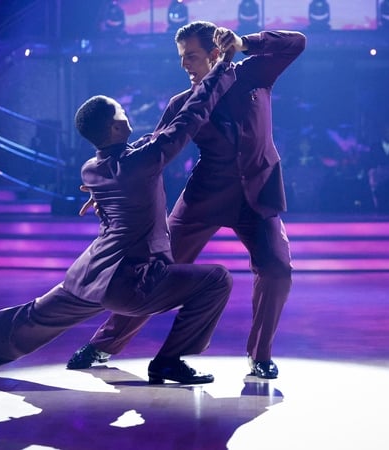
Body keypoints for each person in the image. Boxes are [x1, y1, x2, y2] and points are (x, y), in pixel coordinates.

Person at [0, 47, 238, 384]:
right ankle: (168, 361)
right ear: (117, 127)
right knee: (217, 279)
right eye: (122, 110)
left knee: (27, 318)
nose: (127, 111)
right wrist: (220, 70)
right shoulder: (139, 162)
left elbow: (157, 138)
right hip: (133, 281)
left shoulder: (93, 169)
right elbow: (187, 121)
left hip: (90, 277)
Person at [68, 22, 306, 379]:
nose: (185, 65)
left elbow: (296, 42)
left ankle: (260, 355)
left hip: (259, 195)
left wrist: (244, 43)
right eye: (182, 58)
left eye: (191, 56)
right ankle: (104, 345)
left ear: (215, 53)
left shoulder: (254, 74)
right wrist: (108, 187)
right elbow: (151, 148)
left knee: (277, 270)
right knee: (156, 274)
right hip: (204, 197)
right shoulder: (184, 102)